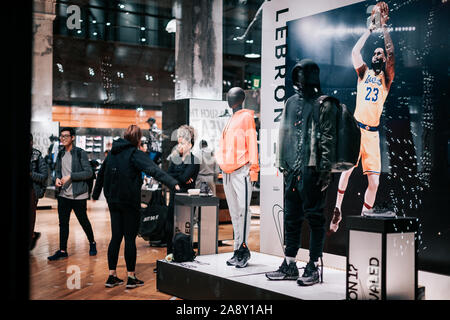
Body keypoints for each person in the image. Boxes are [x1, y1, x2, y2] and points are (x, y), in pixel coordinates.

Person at [265, 59, 337, 286]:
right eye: (297, 75)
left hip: (312, 169)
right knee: (291, 217)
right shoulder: (290, 102)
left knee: (315, 218)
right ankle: (289, 263)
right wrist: (282, 163)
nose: (299, 80)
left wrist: (325, 171)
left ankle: (313, 265)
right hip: (293, 170)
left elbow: (328, 139)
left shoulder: (324, 103)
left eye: (303, 75)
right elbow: (283, 133)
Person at [330, 4, 395, 233]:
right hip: (356, 129)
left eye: (381, 53)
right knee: (346, 171)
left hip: (372, 134)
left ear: (384, 59)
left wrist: (384, 29)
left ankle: (365, 216)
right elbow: (354, 53)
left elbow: (391, 55)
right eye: (375, 52)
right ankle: (337, 209)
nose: (377, 54)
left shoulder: (387, 78)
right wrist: (370, 30)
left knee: (374, 182)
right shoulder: (364, 72)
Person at [92, 125, 180, 289]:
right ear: (138, 139)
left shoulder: (112, 152)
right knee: (130, 239)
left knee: (116, 237)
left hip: (113, 201)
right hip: (129, 202)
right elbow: (153, 170)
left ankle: (112, 276)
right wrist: (172, 183)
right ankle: (131, 277)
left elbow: (101, 174)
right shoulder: (134, 153)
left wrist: (96, 194)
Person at [217, 87, 259, 268]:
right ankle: (237, 250)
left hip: (241, 170)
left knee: (243, 211)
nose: (229, 98)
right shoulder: (230, 119)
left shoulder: (246, 117)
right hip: (227, 172)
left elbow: (252, 143)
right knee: (234, 212)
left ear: (240, 98)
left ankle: (243, 249)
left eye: (232, 95)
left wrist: (254, 170)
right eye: (228, 95)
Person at [48, 127, 97, 261]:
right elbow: (57, 171)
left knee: (83, 221)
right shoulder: (60, 154)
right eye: (61, 136)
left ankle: (92, 243)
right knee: (63, 223)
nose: (63, 139)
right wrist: (57, 178)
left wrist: (71, 176)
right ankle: (63, 250)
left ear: (73, 138)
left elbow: (89, 173)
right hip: (63, 194)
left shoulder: (80, 153)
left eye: (66, 136)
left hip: (78, 195)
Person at [165, 125, 200, 255]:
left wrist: (178, 178)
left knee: (185, 228)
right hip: (175, 197)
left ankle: (184, 254)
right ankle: (169, 255)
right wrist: (181, 179)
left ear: (190, 145)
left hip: (187, 200)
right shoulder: (175, 159)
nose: (180, 146)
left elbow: (184, 177)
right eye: (179, 144)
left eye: (183, 144)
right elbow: (169, 175)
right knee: (169, 227)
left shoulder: (194, 160)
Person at [30, 133, 48, 250]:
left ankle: (31, 237)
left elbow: (44, 176)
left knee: (30, 220)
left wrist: (30, 174)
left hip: (32, 192)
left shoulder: (37, 156)